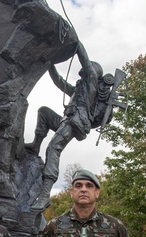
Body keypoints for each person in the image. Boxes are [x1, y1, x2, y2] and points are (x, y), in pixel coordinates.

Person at [27, 44, 117, 210]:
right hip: (66, 120)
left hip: (76, 122)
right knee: (44, 112)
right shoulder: (79, 89)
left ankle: (45, 195)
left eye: (85, 73)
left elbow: (85, 61)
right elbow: (59, 82)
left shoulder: (91, 85)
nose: (81, 74)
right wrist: (49, 64)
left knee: (54, 147)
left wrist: (76, 44)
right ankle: (35, 146)